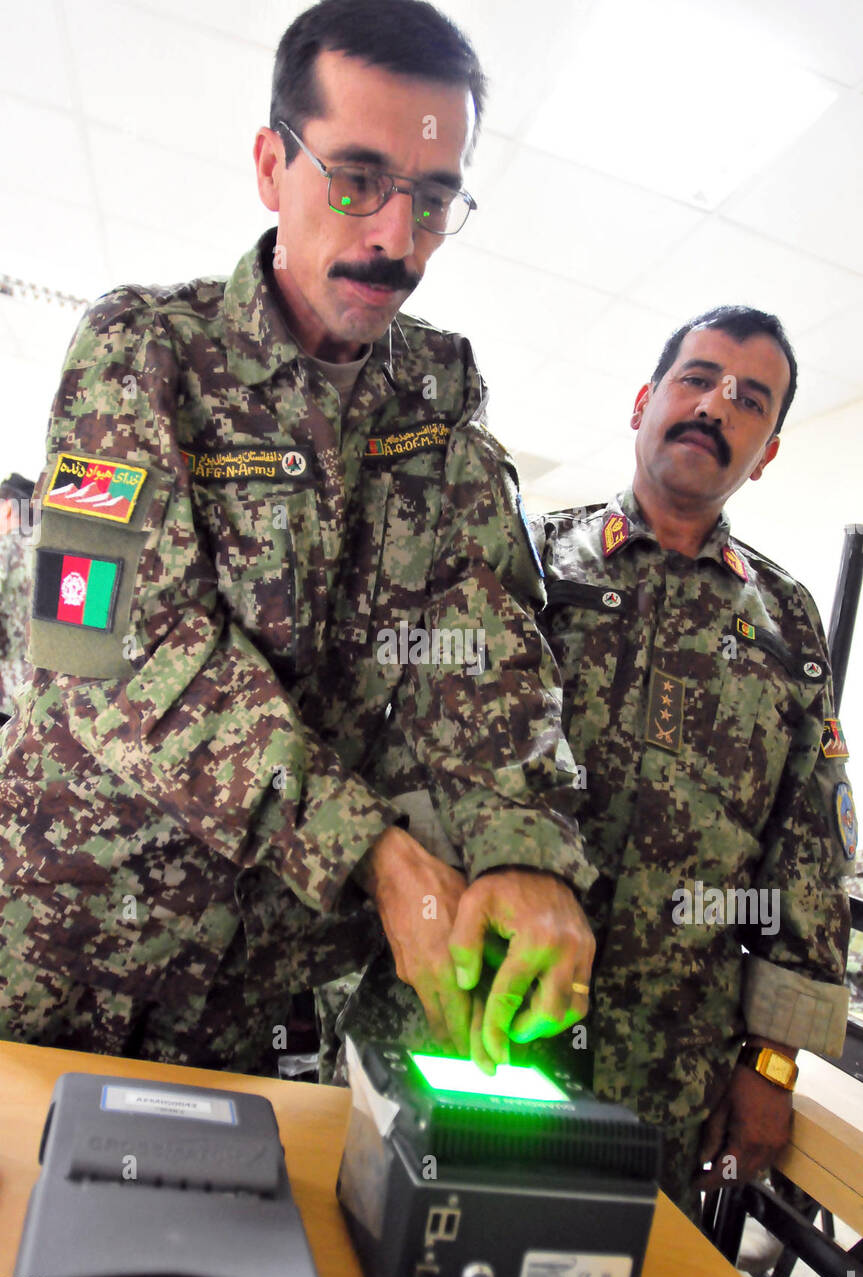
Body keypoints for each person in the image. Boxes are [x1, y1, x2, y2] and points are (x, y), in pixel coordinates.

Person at [0, 0, 594, 1074]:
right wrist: (367, 848)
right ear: (273, 164)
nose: (394, 239)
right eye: (356, 180)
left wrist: (523, 847)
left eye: (432, 198)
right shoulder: (143, 349)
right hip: (74, 943)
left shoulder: (437, 398)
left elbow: (484, 639)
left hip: (263, 987)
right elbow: (101, 645)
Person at [532, 306, 854, 1215]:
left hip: (667, 1068)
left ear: (767, 452)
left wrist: (772, 1057)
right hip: (494, 1018)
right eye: (698, 379)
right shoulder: (527, 564)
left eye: (750, 401)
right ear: (643, 402)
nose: (718, 405)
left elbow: (812, 854)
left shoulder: (787, 623)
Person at [0, 474, 35, 726]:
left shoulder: (5, 549)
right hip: (46, 698)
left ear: (8, 509)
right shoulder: (50, 548)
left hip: (8, 697)